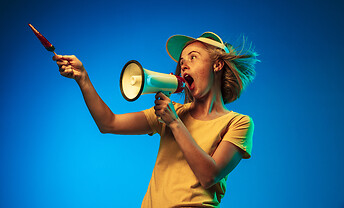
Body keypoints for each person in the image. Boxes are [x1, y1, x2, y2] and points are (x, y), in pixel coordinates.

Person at [53, 32, 259, 207]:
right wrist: (83, 78)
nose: (184, 65)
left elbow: (209, 176)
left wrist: (174, 123)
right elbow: (108, 123)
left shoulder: (238, 123)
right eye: (182, 61)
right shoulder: (170, 112)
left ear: (218, 65)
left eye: (193, 57)